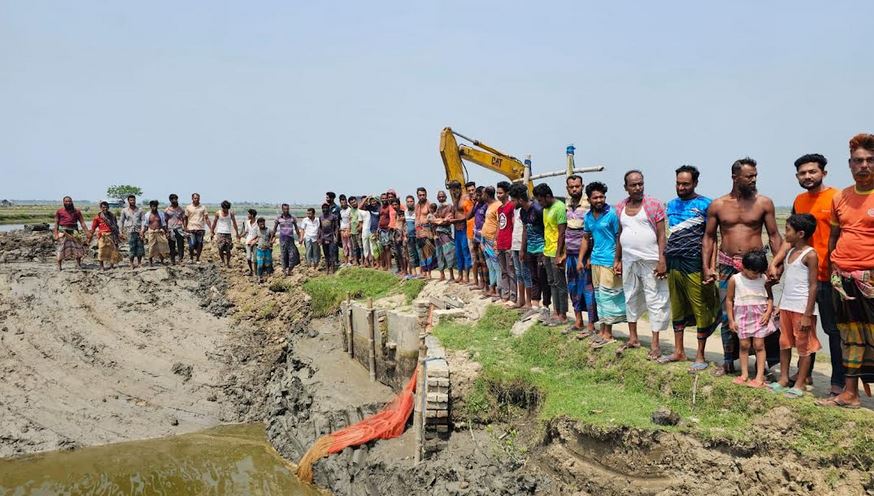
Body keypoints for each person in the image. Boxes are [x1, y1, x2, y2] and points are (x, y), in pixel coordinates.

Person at [703, 157, 783, 375]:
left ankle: (764, 364)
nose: (753, 180)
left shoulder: (763, 203)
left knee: (763, 312)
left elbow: (774, 235)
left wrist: (777, 264)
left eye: (755, 176)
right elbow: (709, 237)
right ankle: (728, 360)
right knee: (728, 312)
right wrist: (707, 267)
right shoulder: (718, 205)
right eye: (749, 176)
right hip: (727, 265)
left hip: (756, 266)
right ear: (735, 177)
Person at [768, 153, 840, 395]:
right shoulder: (799, 200)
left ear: (823, 173)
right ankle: (804, 376)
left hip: (828, 276)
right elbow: (790, 239)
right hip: (800, 280)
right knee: (797, 330)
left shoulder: (836, 197)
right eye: (802, 173)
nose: (807, 176)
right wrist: (775, 262)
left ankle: (837, 382)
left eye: (812, 171)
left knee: (832, 330)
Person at [820, 133, 874, 408]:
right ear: (850, 164)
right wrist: (832, 270)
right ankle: (850, 394)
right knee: (850, 337)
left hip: (870, 278)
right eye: (858, 161)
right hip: (843, 279)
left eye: (869, 160)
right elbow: (834, 237)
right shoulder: (841, 197)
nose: (864, 165)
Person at [663, 166, 721, 370]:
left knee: (700, 307)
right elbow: (669, 234)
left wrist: (710, 267)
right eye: (678, 183)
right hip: (673, 261)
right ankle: (679, 351)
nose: (681, 187)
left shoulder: (707, 204)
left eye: (686, 184)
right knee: (677, 306)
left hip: (695, 262)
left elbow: (712, 238)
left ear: (695, 183)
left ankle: (700, 355)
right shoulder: (671, 204)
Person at [614, 171, 670, 360]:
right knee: (630, 296)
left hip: (651, 260)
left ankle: (655, 344)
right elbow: (620, 234)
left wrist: (662, 260)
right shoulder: (620, 207)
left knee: (655, 299)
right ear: (626, 187)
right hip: (629, 260)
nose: (638, 188)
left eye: (640, 184)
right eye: (633, 185)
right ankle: (633, 338)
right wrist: (617, 259)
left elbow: (662, 235)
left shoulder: (654, 205)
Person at [771, 214, 821, 399]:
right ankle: (783, 379)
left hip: (802, 308)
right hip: (787, 306)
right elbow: (788, 281)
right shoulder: (790, 252)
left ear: (800, 234)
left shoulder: (811, 255)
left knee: (804, 348)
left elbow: (813, 286)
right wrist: (780, 304)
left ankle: (800, 383)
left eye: (788, 230)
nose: (785, 233)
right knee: (784, 343)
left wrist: (808, 314)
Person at [579, 182, 624, 347]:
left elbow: (619, 237)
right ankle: (602, 331)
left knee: (608, 297)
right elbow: (586, 238)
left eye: (601, 197)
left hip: (609, 260)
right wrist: (581, 259)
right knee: (598, 296)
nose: (599, 200)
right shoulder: (588, 217)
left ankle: (608, 333)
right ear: (589, 199)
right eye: (595, 197)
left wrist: (618, 260)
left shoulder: (612, 214)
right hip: (595, 261)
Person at [726, 250, 777, 388]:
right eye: (754, 272)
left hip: (759, 316)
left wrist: (768, 313)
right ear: (744, 267)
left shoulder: (763, 278)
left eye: (759, 272)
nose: (756, 275)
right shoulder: (735, 279)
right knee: (744, 346)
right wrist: (731, 320)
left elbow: (770, 297)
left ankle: (759, 377)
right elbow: (729, 300)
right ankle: (744, 375)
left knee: (759, 345)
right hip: (742, 316)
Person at [565, 175, 597, 336]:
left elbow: (593, 231)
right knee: (572, 287)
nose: (574, 189)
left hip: (584, 254)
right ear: (567, 189)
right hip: (570, 253)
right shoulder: (567, 203)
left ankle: (591, 324)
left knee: (587, 288)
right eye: (571, 187)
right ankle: (578, 321)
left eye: (577, 186)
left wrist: (590, 256)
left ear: (582, 186)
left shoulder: (589, 204)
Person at [511, 184, 549, 319]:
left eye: (513, 200)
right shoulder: (522, 212)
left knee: (543, 278)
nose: (512, 203)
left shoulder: (538, 209)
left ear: (520, 200)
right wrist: (522, 249)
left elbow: (547, 229)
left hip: (541, 249)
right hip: (530, 249)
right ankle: (535, 305)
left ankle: (546, 307)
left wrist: (545, 250)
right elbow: (525, 230)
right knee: (533, 277)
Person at [534, 183, 568, 327]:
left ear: (548, 196)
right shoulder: (545, 209)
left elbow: (562, 232)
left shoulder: (559, 207)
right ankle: (555, 312)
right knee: (551, 282)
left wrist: (559, 254)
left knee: (560, 284)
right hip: (547, 250)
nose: (539, 203)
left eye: (540, 200)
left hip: (556, 251)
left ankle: (563, 314)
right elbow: (547, 230)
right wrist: (544, 251)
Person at [53, 196, 89, 271]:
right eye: (66, 201)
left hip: (74, 232)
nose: (68, 203)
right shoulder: (59, 211)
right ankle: (59, 266)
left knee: (78, 248)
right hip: (63, 231)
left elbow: (82, 223)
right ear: (63, 202)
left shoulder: (77, 211)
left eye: (69, 201)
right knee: (61, 248)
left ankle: (78, 264)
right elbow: (56, 223)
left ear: (72, 202)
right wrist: (55, 234)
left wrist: (87, 233)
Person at [495, 182, 517, 303]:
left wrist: (513, 242)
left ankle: (513, 296)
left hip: (509, 243)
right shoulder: (500, 209)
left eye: (500, 193)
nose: (498, 195)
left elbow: (513, 224)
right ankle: (505, 294)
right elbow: (499, 225)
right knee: (503, 271)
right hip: (501, 244)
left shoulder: (511, 206)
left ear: (507, 193)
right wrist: (496, 240)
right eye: (497, 193)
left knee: (511, 271)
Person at [480, 186, 502, 299]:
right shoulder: (489, 206)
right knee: (490, 266)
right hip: (485, 239)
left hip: (492, 240)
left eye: (483, 194)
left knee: (496, 266)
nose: (481, 196)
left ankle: (499, 290)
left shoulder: (498, 205)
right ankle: (492, 288)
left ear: (487, 195)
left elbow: (499, 224)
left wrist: (496, 241)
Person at [449, 181, 473, 283]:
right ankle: (460, 275)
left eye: (455, 190)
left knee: (465, 251)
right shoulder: (455, 200)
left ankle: (467, 276)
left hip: (464, 228)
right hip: (456, 230)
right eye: (452, 190)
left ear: (459, 189)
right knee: (458, 253)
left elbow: (469, 215)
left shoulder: (465, 198)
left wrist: (456, 220)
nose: (454, 192)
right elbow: (454, 213)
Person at [88, 201, 122, 270]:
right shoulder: (97, 217)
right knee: (101, 251)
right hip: (102, 236)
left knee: (113, 251)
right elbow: (93, 228)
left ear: (108, 207)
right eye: (103, 207)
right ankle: (101, 266)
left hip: (112, 235)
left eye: (106, 207)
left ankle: (112, 266)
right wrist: (89, 237)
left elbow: (116, 226)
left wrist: (118, 234)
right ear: (100, 208)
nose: (105, 209)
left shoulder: (112, 216)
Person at [434, 190, 456, 282]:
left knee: (449, 254)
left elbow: (448, 220)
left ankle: (451, 276)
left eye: (443, 196)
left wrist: (439, 221)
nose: (441, 198)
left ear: (446, 197)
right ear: (437, 198)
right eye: (440, 197)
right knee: (439, 254)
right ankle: (442, 275)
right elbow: (433, 220)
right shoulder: (438, 208)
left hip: (446, 233)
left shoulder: (449, 206)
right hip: (438, 234)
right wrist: (440, 220)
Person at [414, 187, 437, 278]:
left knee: (428, 253)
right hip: (418, 232)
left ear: (426, 195)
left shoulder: (429, 205)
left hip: (427, 231)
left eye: (423, 195)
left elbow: (433, 218)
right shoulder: (417, 206)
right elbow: (416, 218)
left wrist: (433, 233)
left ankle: (429, 273)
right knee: (421, 254)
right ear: (417, 196)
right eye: (420, 195)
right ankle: (424, 272)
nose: (422, 196)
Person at [141, 200, 170, 266]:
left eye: (156, 206)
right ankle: (150, 262)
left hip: (159, 231)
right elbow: (146, 225)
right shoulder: (147, 215)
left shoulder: (161, 214)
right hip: (151, 232)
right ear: (150, 206)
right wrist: (143, 232)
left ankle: (162, 261)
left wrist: (167, 232)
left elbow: (163, 224)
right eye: (153, 206)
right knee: (151, 247)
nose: (154, 208)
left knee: (162, 247)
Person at [274, 204, 301, 275]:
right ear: (282, 209)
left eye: (287, 209)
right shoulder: (279, 218)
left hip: (290, 239)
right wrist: (272, 239)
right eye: (285, 209)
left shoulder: (292, 218)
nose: (286, 210)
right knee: (283, 255)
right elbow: (274, 229)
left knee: (292, 255)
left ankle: (290, 270)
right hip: (282, 239)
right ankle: (284, 271)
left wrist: (300, 237)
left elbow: (296, 228)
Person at [210, 200, 238, 268]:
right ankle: (223, 261)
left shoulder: (231, 213)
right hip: (220, 233)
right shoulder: (218, 213)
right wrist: (212, 231)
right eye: (224, 208)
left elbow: (234, 223)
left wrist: (237, 233)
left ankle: (228, 263)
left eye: (227, 209)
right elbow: (214, 222)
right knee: (220, 248)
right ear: (222, 207)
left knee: (228, 249)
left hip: (228, 233)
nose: (226, 210)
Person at [120, 194, 145, 268]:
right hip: (129, 231)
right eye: (131, 200)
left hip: (139, 231)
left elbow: (143, 221)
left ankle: (139, 263)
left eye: (133, 200)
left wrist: (142, 230)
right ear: (128, 201)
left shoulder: (140, 210)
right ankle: (131, 263)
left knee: (140, 247)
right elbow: (121, 221)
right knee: (131, 247)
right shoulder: (124, 210)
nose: (132, 201)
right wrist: (121, 231)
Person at [471, 186, 489, 290]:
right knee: (477, 261)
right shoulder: (477, 205)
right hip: (476, 236)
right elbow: (469, 216)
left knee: (484, 262)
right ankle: (481, 283)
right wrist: (474, 204)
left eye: (479, 195)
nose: (477, 197)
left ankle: (487, 285)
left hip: (483, 236)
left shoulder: (486, 206)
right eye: (476, 195)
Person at [185, 193, 210, 263]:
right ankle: (191, 258)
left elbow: (206, 218)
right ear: (192, 198)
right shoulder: (188, 207)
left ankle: (197, 259)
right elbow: (185, 218)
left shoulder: (203, 207)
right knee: (191, 244)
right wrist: (185, 227)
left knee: (200, 244)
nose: (196, 199)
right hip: (190, 229)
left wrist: (211, 228)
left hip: (200, 229)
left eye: (198, 198)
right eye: (195, 198)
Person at [164, 194, 186, 265]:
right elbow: (165, 221)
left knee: (181, 245)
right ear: (170, 200)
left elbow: (184, 219)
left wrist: (185, 228)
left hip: (179, 228)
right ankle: (172, 260)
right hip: (170, 229)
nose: (174, 200)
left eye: (175, 199)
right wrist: (166, 231)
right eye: (173, 199)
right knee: (171, 245)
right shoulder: (167, 210)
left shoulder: (181, 209)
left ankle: (180, 259)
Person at [319, 203, 339, 273]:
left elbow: (336, 227)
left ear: (329, 209)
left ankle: (333, 269)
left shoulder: (333, 217)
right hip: (324, 238)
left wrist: (336, 237)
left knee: (331, 253)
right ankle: (327, 269)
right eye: (323, 208)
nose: (324, 209)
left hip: (331, 237)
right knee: (326, 254)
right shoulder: (321, 217)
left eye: (326, 208)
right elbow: (320, 228)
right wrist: (320, 238)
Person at [253, 217, 275, 283]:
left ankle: (268, 277)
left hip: (267, 250)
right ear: (258, 224)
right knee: (260, 265)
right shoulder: (257, 230)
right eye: (261, 224)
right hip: (259, 250)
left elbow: (274, 236)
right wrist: (252, 241)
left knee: (268, 264)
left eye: (263, 223)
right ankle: (259, 277)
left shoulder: (269, 230)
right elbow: (256, 237)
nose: (262, 224)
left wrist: (272, 241)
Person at [404, 195, 421, 276]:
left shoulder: (417, 211)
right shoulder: (405, 212)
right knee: (411, 254)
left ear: (414, 202)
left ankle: (421, 272)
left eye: (411, 201)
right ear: (406, 203)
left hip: (417, 236)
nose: (410, 203)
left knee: (419, 253)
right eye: (408, 202)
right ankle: (414, 272)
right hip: (409, 237)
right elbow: (405, 224)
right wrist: (405, 235)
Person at [378, 193, 393, 271]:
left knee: (387, 247)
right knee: (383, 248)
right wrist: (378, 228)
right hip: (381, 229)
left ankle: (389, 266)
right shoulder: (380, 207)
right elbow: (380, 218)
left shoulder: (389, 207)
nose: (384, 200)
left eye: (385, 198)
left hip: (387, 229)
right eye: (382, 198)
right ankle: (385, 265)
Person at [241, 208, 259, 276]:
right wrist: (240, 236)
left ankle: (256, 272)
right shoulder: (247, 222)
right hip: (248, 241)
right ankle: (251, 270)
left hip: (256, 242)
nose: (247, 215)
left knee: (255, 258)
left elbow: (259, 233)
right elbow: (246, 231)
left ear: (252, 215)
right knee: (248, 257)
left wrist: (254, 240)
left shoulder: (257, 222)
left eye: (248, 214)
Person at [348, 196, 362, 266]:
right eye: (351, 203)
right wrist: (349, 230)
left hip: (359, 232)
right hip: (353, 232)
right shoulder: (351, 210)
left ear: (356, 201)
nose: (353, 203)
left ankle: (362, 261)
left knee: (361, 247)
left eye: (354, 202)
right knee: (355, 248)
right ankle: (356, 261)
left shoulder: (360, 209)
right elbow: (350, 221)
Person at [339, 195, 351, 265]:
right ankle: (345, 261)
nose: (343, 204)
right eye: (341, 203)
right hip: (342, 229)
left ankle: (350, 261)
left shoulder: (349, 210)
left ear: (346, 202)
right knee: (344, 246)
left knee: (349, 245)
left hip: (348, 229)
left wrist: (348, 229)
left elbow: (350, 220)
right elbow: (341, 220)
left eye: (344, 202)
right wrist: (341, 229)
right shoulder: (341, 211)